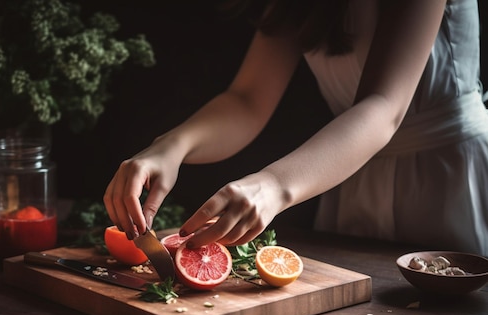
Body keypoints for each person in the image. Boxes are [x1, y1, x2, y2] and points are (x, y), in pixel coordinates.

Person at [103, 0, 488, 257]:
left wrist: (272, 185)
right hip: (344, 173)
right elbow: (248, 99)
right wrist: (172, 145)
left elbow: (384, 107)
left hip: (450, 181)